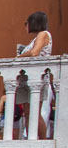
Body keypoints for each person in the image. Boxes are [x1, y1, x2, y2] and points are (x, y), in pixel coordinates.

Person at [17, 10, 54, 139]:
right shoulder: (34, 38)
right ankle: (31, 140)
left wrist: (19, 56)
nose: (25, 26)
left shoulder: (43, 34)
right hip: (26, 80)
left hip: (36, 79)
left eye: (26, 23)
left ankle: (43, 141)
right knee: (27, 113)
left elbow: (34, 53)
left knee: (34, 113)